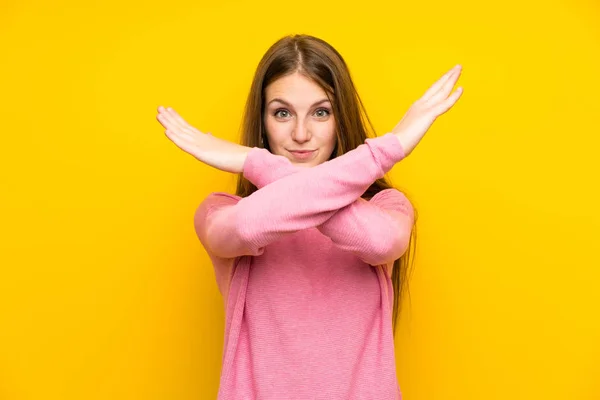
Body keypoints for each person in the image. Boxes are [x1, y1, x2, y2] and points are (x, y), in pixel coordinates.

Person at [156, 34, 463, 400]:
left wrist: (252, 161)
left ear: (341, 118)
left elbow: (379, 241)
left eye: (321, 112)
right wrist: (388, 149)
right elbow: (245, 226)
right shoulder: (221, 209)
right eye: (282, 113)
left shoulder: (387, 206)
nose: (301, 134)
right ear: (263, 120)